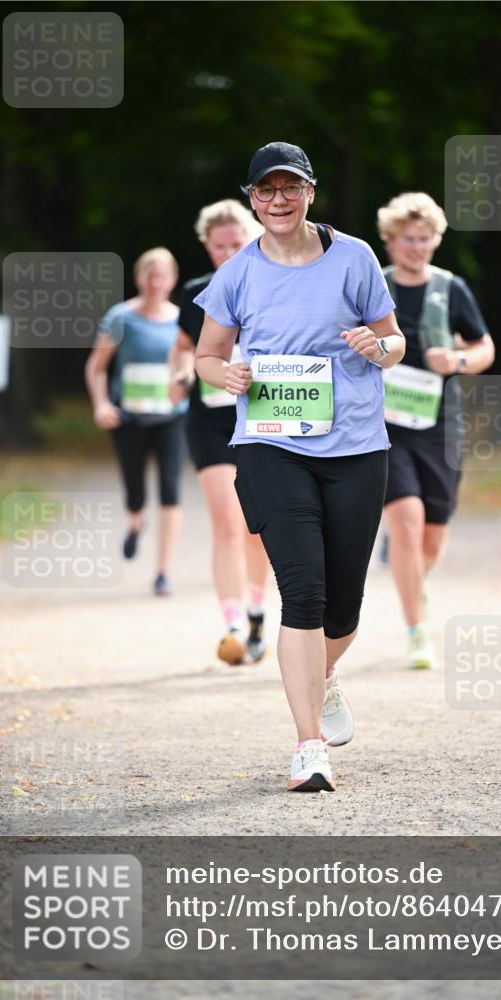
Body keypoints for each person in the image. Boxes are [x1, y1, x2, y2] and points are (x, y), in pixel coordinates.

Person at [194, 142, 405, 792]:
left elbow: (395, 341)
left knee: (343, 609)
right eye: (266, 190)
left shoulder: (354, 257)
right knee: (303, 593)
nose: (278, 200)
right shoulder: (238, 272)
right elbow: (206, 355)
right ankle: (308, 747)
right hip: (270, 443)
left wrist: (378, 346)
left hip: (356, 445)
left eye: (290, 188)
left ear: (310, 192)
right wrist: (224, 374)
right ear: (252, 198)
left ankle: (325, 672)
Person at [376, 192, 495, 668]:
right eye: (408, 239)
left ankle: (413, 580)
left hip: (440, 425)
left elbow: (484, 347)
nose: (417, 247)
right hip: (384, 426)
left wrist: (459, 360)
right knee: (406, 521)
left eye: (424, 239)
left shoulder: (451, 288)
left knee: (432, 538)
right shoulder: (375, 286)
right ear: (391, 240)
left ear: (436, 240)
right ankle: (417, 632)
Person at [169, 201, 271, 666]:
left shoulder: (273, 284)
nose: (228, 253)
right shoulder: (196, 293)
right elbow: (183, 348)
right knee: (227, 522)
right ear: (206, 247)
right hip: (210, 420)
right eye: (218, 246)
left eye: (236, 244)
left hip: (264, 417)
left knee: (256, 525)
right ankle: (231, 624)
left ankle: (256, 613)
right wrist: (178, 373)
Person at [85, 247, 187, 596]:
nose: (155, 282)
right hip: (128, 417)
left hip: (171, 417)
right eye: (149, 275)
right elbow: (96, 368)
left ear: (173, 279)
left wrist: (184, 381)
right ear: (138, 277)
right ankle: (135, 523)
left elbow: (190, 363)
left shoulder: (182, 319)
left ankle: (162, 573)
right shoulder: (121, 317)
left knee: (171, 489)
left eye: (162, 275)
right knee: (135, 491)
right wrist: (101, 404)